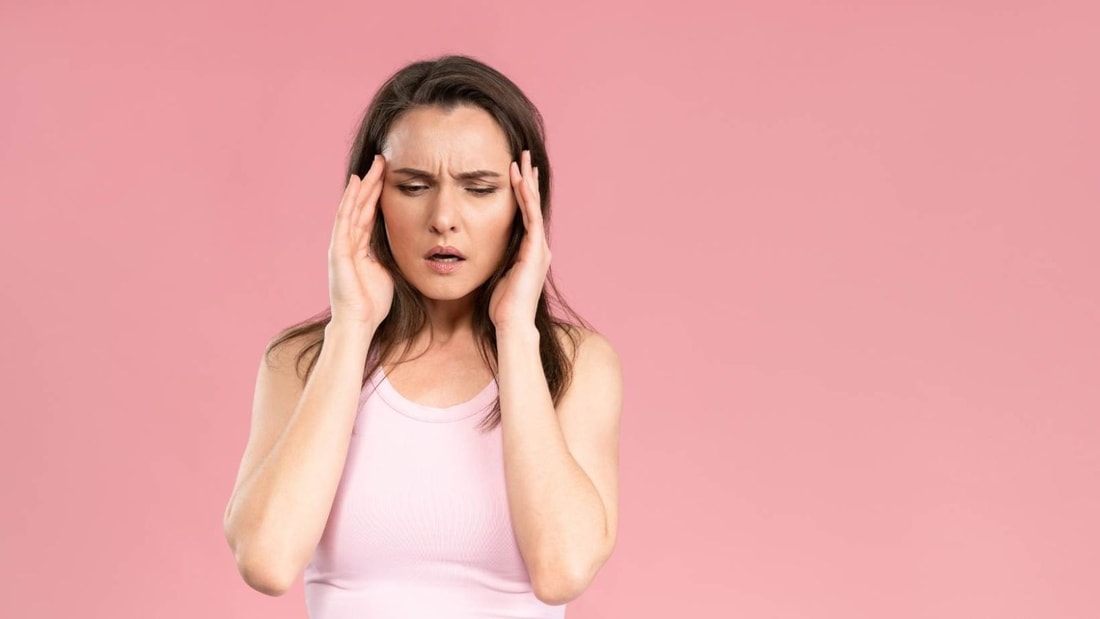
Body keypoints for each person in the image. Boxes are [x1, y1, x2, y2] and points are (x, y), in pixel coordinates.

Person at [222, 54, 623, 618]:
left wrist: (515, 331)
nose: (444, 217)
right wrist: (352, 326)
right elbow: (266, 560)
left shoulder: (577, 364)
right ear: (369, 199)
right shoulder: (301, 361)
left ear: (524, 205)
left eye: (479, 189)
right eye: (413, 186)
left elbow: (563, 570)